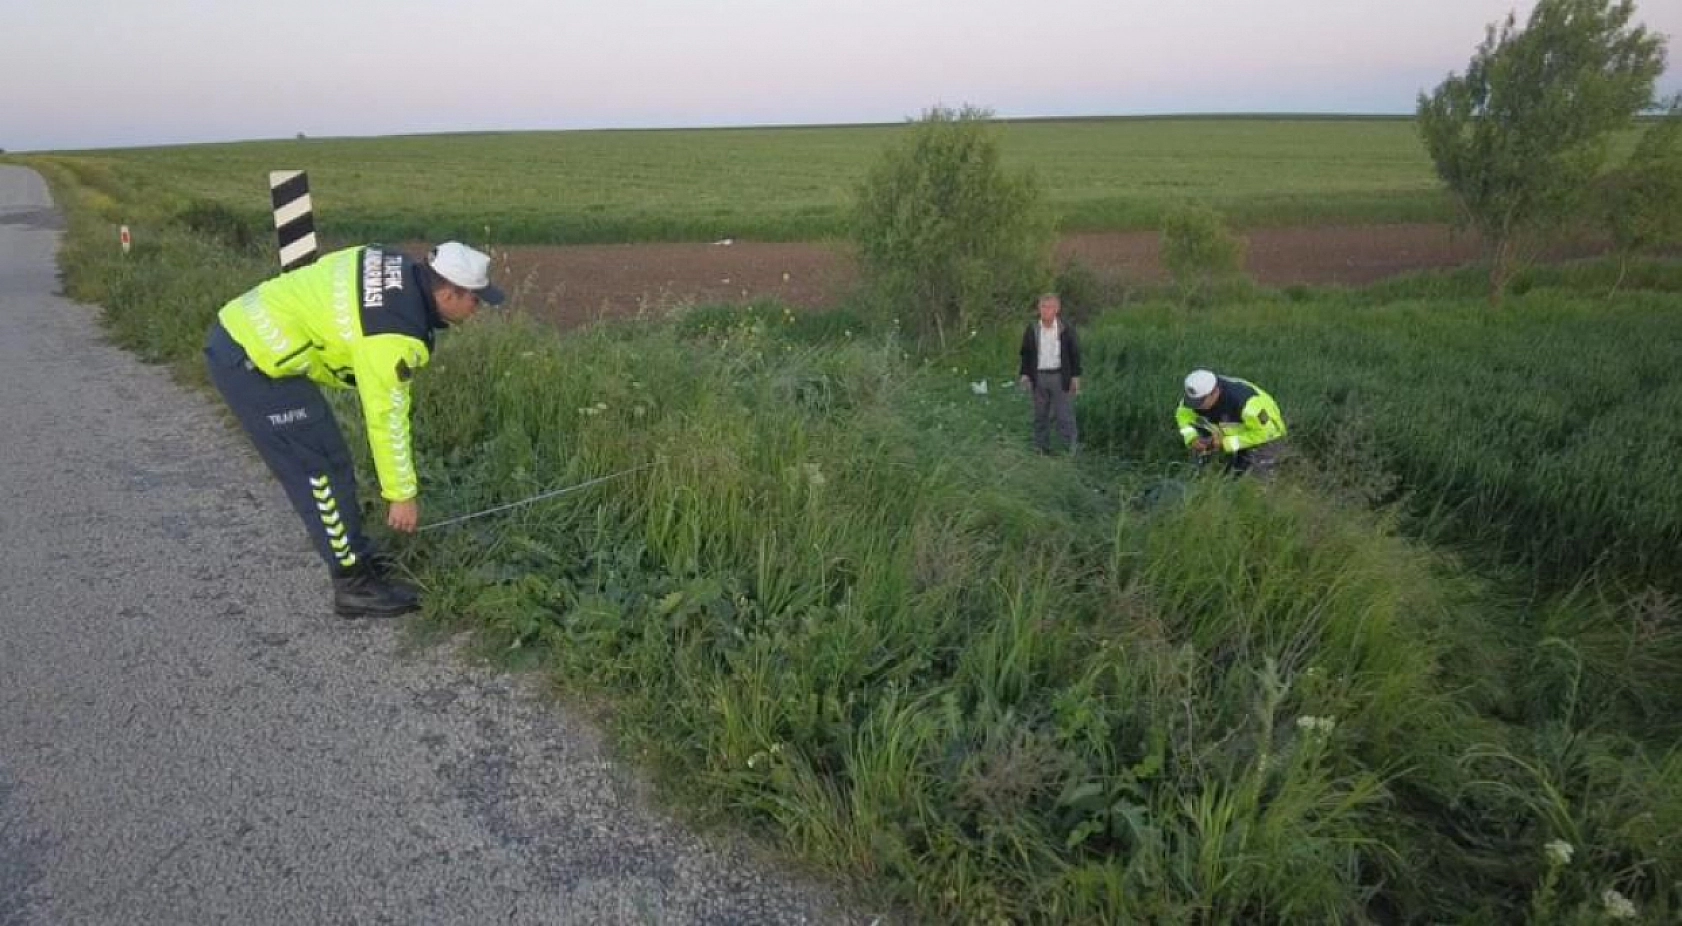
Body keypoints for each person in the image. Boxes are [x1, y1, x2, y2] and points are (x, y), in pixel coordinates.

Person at [203, 242, 504, 618]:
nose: (478, 311)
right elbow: (387, 419)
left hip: (248, 327)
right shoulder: (394, 334)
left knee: (331, 459)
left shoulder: (388, 258)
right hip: (253, 360)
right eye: (475, 301)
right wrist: (402, 495)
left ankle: (356, 555)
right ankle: (353, 585)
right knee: (320, 470)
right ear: (447, 292)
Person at [1177, 369, 1287, 477]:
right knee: (1204, 455)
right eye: (1193, 402)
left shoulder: (1247, 405)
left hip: (1265, 435)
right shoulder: (1197, 396)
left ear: (1214, 392)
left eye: (1200, 402)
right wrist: (1192, 439)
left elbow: (1270, 432)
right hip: (1227, 430)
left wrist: (1226, 443)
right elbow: (1183, 415)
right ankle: (1205, 474)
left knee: (1255, 478)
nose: (1196, 406)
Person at [1017, 292, 1082, 454]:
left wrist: (1075, 376)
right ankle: (1041, 448)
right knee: (1040, 415)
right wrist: (1025, 374)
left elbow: (1074, 353)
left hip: (1060, 377)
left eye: (1050, 307)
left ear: (1057, 309)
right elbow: (1026, 353)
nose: (1046, 310)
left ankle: (1070, 450)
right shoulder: (1032, 329)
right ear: (1038, 309)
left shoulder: (1065, 329)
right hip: (1039, 376)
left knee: (1064, 415)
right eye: (1043, 307)